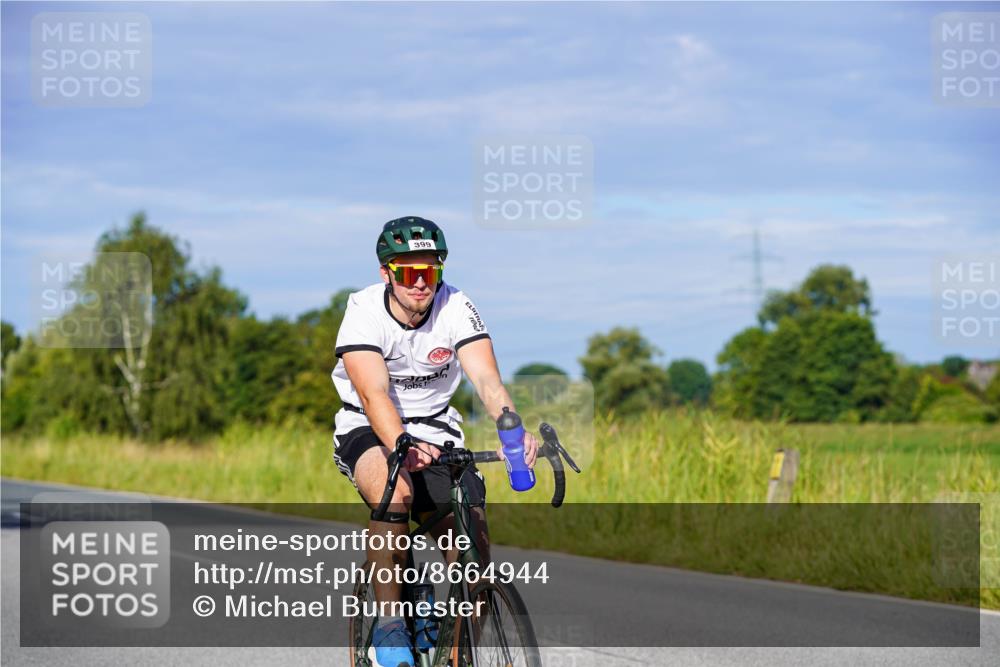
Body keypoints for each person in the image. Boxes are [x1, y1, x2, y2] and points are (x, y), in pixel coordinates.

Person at [331, 216, 538, 667]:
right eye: (409, 272)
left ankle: (457, 656)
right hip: (368, 425)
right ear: (387, 273)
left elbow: (486, 379)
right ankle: (389, 622)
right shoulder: (364, 310)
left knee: (473, 551)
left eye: (431, 271)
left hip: (437, 426)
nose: (421, 283)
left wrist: (513, 431)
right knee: (397, 491)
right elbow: (372, 393)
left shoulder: (456, 304)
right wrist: (401, 443)